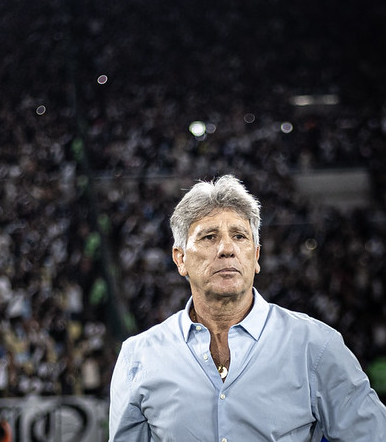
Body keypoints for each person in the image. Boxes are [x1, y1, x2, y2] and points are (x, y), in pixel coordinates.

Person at [108, 174, 386, 441]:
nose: (227, 249)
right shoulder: (138, 357)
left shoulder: (315, 346)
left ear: (255, 256)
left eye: (240, 236)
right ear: (180, 259)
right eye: (209, 237)